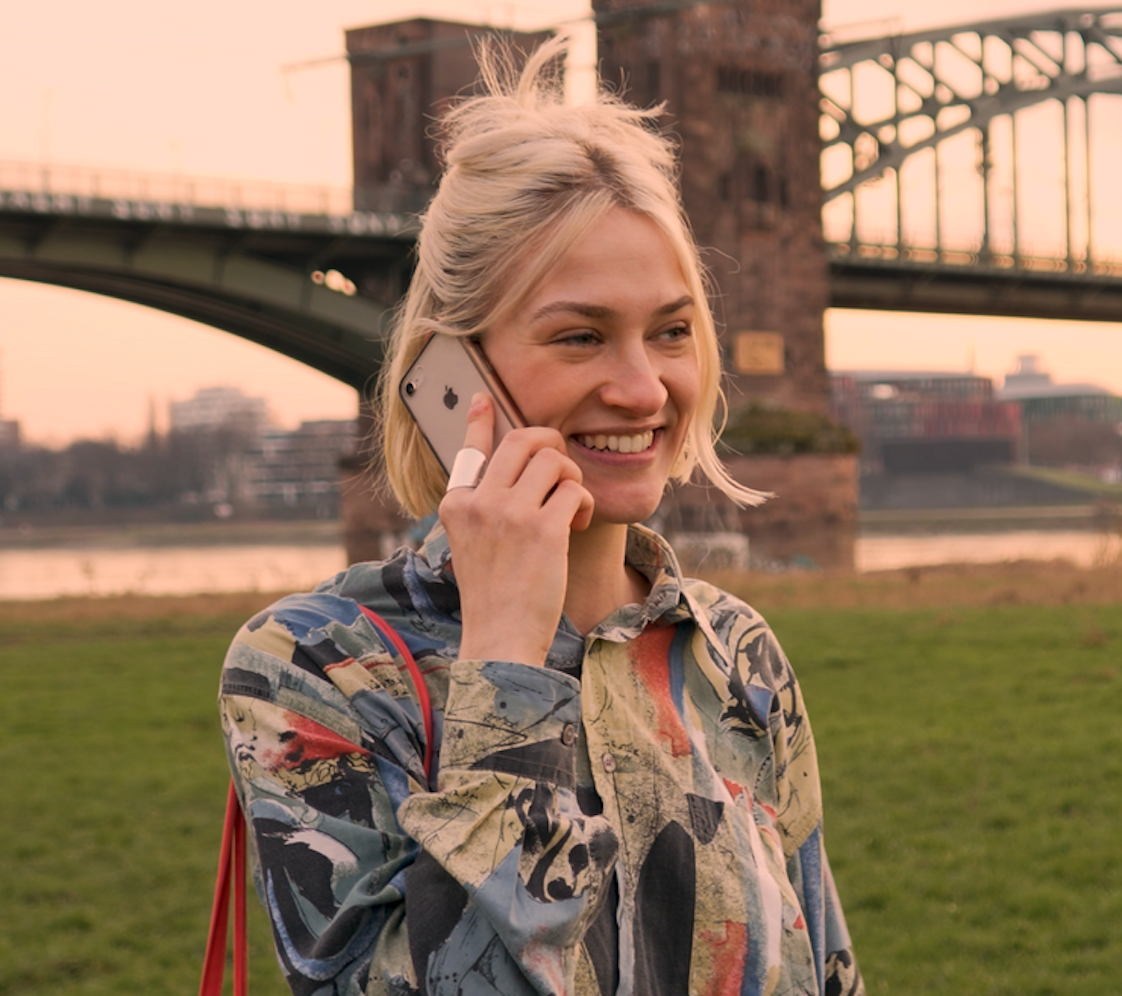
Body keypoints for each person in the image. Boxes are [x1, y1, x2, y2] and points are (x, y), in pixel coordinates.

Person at [218, 38, 862, 996]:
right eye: (581, 336)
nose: (644, 387)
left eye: (672, 331)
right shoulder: (317, 668)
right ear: (454, 372)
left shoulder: (736, 652)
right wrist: (507, 670)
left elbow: (824, 973)